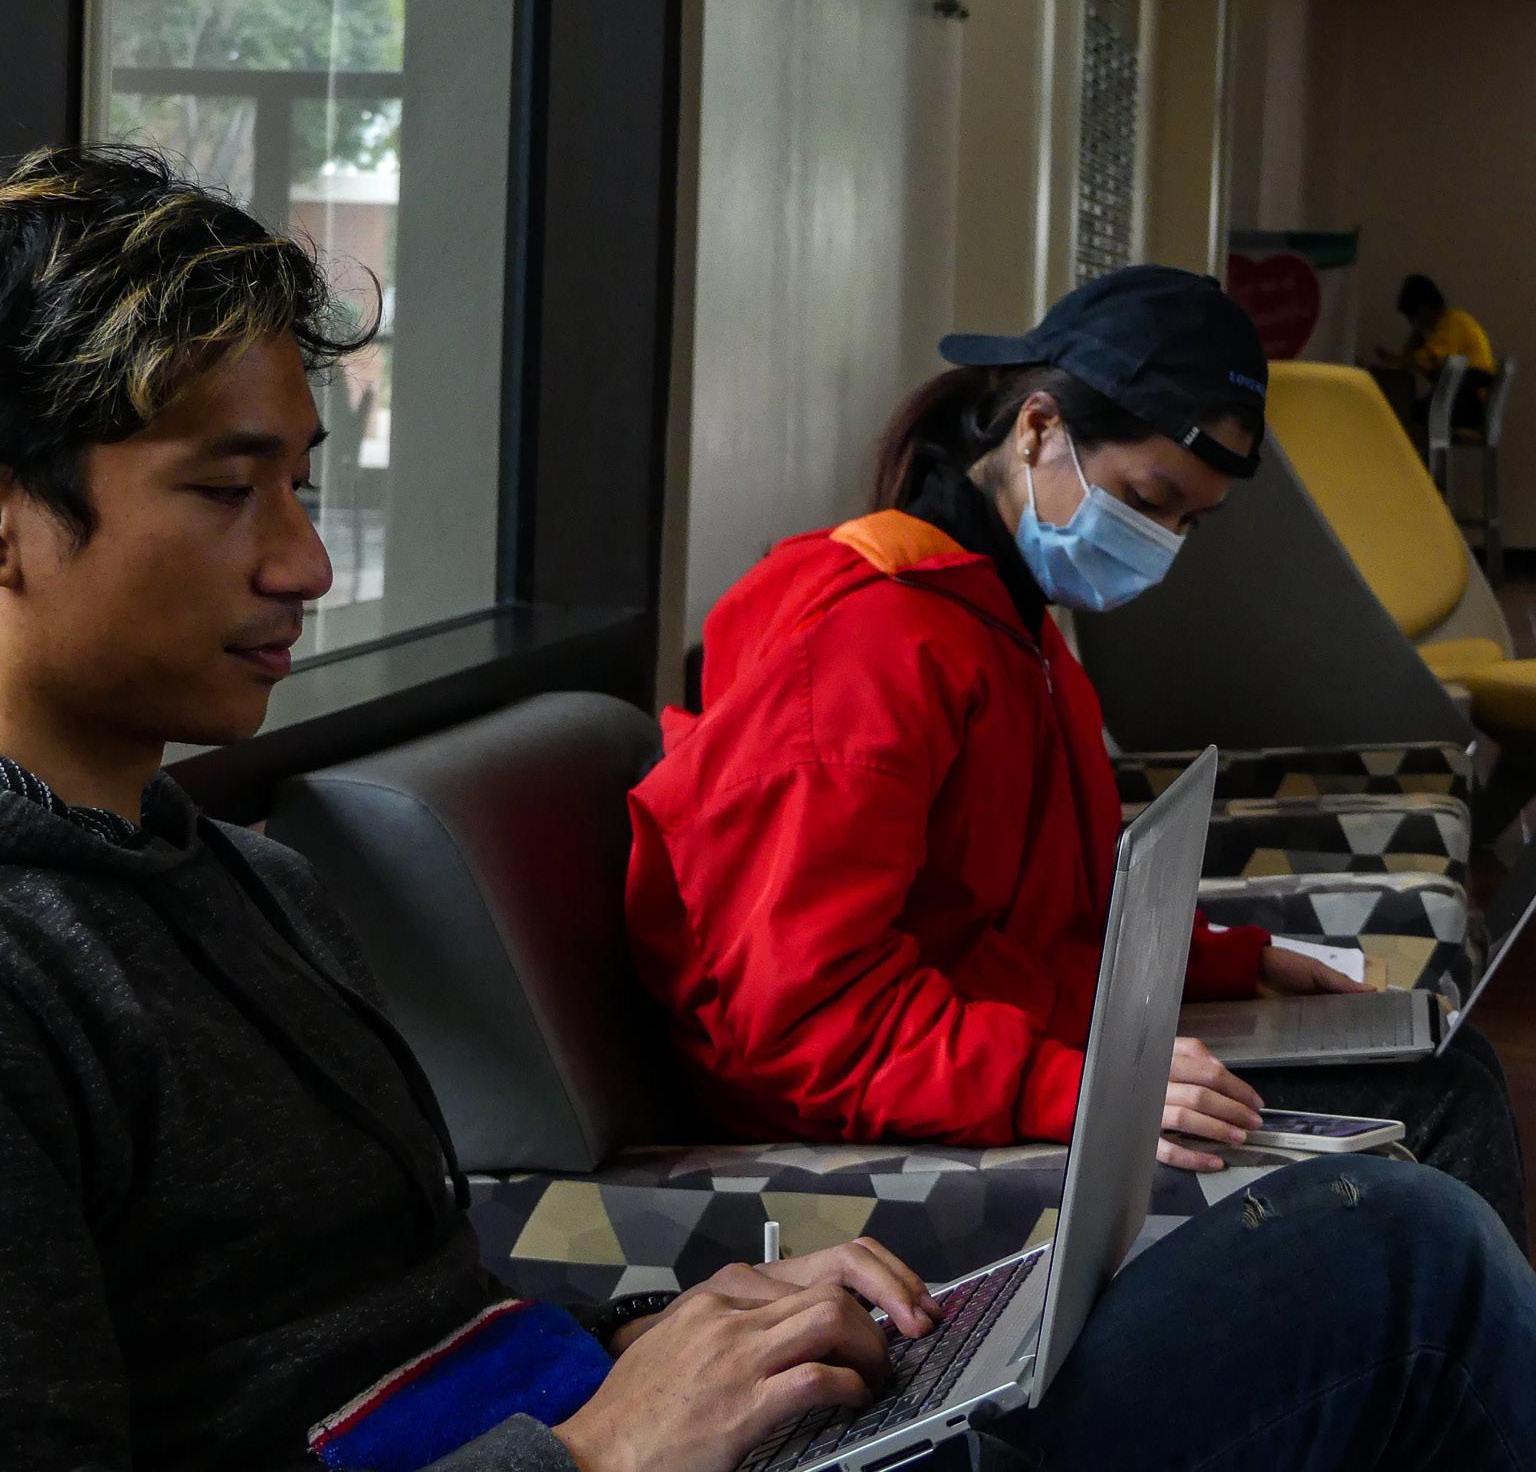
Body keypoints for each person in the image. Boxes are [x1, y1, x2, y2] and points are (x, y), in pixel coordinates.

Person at [4, 146, 1536, 1472]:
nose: (308, 566)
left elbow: (409, 1321)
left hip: (600, 1405)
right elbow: (790, 1018)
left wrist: (659, 1330)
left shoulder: (250, 888)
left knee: (1397, 1244)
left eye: (304, 489)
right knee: (1412, 1267)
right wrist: (596, 1451)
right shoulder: (34, 978)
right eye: (227, 491)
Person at [625, 265, 1528, 1249]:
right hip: (884, 1116)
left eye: (1187, 521)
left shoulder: (1005, 624)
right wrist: (1075, 1087)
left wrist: (1230, 965)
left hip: (1003, 1053)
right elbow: (798, 1019)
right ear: (1039, 428)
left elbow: (1036, 919)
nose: (1163, 544)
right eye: (1149, 498)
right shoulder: (865, 646)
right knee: (1437, 1103)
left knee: (1447, 1067)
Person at [1378, 272, 1497, 429]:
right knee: (1406, 410)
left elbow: (1428, 358)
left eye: (1411, 317)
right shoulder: (1454, 320)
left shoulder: (1450, 323)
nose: (1412, 323)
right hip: (1470, 401)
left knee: (1400, 412)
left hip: (1469, 404)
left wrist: (1398, 356)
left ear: (1423, 309)